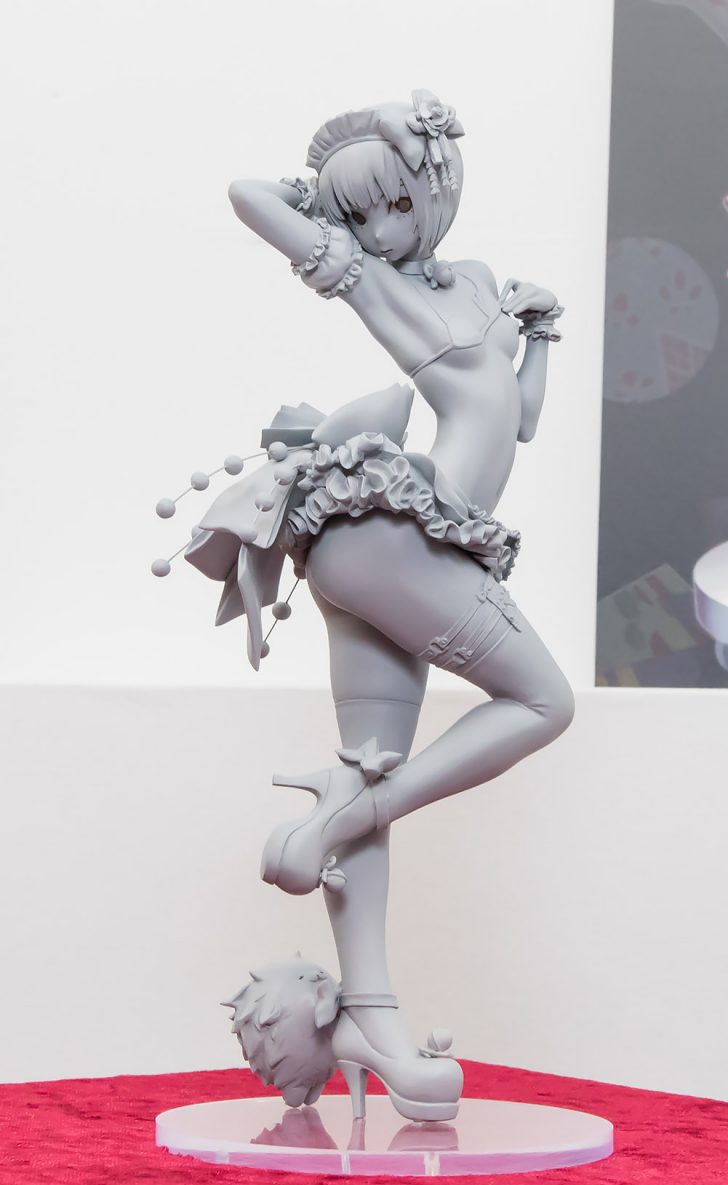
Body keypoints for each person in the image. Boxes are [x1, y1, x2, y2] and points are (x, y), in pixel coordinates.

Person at [195, 90, 574, 1121]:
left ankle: (370, 1017)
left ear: (436, 188)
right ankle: (350, 811)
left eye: (393, 203)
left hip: (382, 551)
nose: (377, 229)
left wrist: (541, 334)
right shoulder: (370, 281)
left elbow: (518, 418)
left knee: (370, 760)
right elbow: (248, 196)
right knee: (544, 702)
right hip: (397, 533)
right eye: (354, 214)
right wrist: (331, 183)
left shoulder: (477, 284)